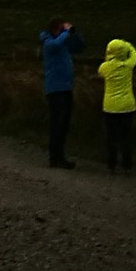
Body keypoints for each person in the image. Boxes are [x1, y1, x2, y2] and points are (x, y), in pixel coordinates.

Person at [38, 17, 85, 167]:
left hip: (66, 88)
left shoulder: (64, 43)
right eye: (61, 29)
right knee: (57, 123)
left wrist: (73, 34)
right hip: (54, 89)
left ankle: (60, 156)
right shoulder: (48, 42)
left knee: (64, 124)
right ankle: (54, 157)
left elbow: (80, 47)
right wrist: (65, 32)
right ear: (54, 30)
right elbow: (55, 45)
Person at [98, 36, 136, 172]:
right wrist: (127, 45)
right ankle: (127, 165)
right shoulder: (128, 66)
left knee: (111, 137)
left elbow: (100, 72)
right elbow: (135, 53)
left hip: (110, 107)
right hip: (127, 106)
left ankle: (112, 164)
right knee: (126, 137)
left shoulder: (105, 68)